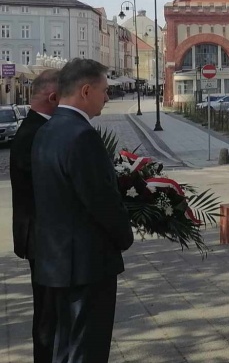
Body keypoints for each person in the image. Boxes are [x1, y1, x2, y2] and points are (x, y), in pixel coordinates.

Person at [31, 58, 133, 362]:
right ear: (86, 90)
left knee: (66, 346)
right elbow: (100, 200)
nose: (107, 97)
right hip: (87, 264)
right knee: (86, 348)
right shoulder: (82, 135)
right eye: (104, 91)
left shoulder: (46, 130)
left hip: (57, 260)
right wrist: (124, 236)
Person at [10, 69, 59, 363]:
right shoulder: (37, 132)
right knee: (47, 313)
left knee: (48, 310)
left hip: (41, 235)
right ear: (53, 97)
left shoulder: (32, 128)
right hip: (42, 237)